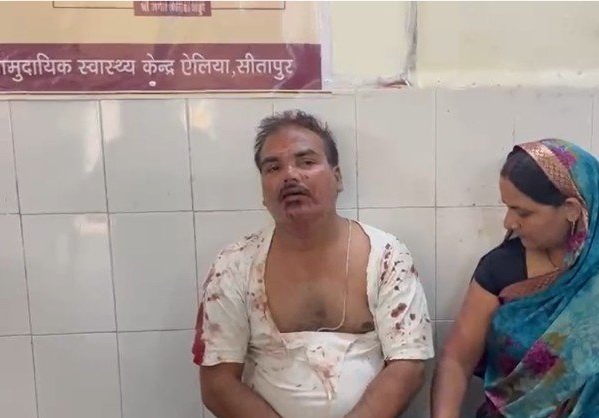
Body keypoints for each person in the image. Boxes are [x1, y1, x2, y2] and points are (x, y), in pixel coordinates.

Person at [193, 110, 434, 418]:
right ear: (263, 190)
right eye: (273, 167)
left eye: (306, 162)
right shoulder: (235, 264)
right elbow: (218, 383)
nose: (290, 176)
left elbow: (408, 366)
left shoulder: (386, 255)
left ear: (338, 177)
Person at [431, 139, 599, 417]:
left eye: (523, 212)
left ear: (571, 209)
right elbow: (456, 361)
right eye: (507, 207)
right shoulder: (501, 269)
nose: (508, 222)